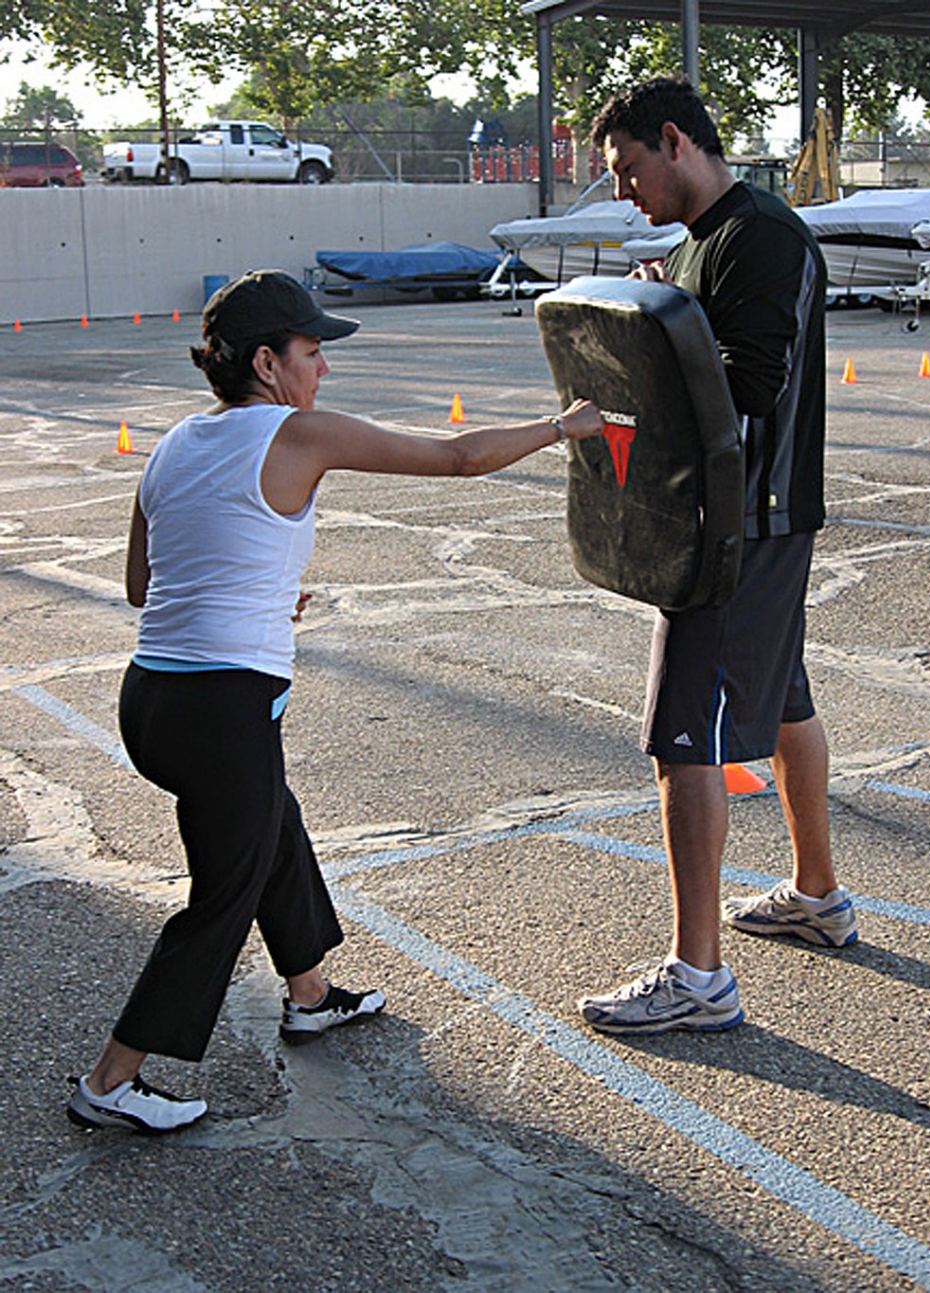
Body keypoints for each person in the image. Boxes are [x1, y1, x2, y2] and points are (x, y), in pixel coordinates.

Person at [68, 268, 603, 1133]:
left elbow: (143, 586)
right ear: (269, 362)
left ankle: (309, 993)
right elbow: (457, 458)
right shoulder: (297, 434)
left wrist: (253, 596)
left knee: (272, 822)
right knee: (224, 890)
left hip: (152, 700)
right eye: (314, 353)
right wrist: (561, 426)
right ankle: (110, 1080)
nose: (325, 370)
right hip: (221, 709)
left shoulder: (172, 443)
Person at [577, 77, 857, 1037]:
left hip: (744, 523)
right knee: (784, 701)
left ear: (672, 141)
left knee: (680, 736)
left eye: (626, 169)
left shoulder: (762, 238)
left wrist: (648, 348)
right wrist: (658, 312)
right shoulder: (703, 245)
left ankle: (697, 976)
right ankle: (817, 894)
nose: (623, 192)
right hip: (747, 519)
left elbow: (752, 386)